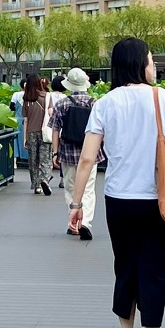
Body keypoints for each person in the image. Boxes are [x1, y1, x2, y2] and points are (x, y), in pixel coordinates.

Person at [67, 36, 165, 328]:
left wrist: (76, 204)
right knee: (155, 270)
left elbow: (88, 159)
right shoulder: (164, 99)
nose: (153, 67)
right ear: (140, 64)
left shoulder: (105, 103)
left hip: (119, 199)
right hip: (157, 200)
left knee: (126, 268)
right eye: (151, 60)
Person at [49, 67, 96, 239]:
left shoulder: (62, 104)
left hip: (68, 153)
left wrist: (55, 153)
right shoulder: (94, 103)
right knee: (89, 189)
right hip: (90, 153)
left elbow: (55, 130)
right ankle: (86, 222)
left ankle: (73, 222)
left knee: (70, 188)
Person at [21, 74, 50, 193]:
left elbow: (26, 120)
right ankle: (44, 179)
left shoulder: (26, 98)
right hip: (44, 132)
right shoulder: (46, 97)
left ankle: (36, 185)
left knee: (33, 160)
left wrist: (24, 138)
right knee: (45, 158)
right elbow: (50, 114)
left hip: (31, 132)